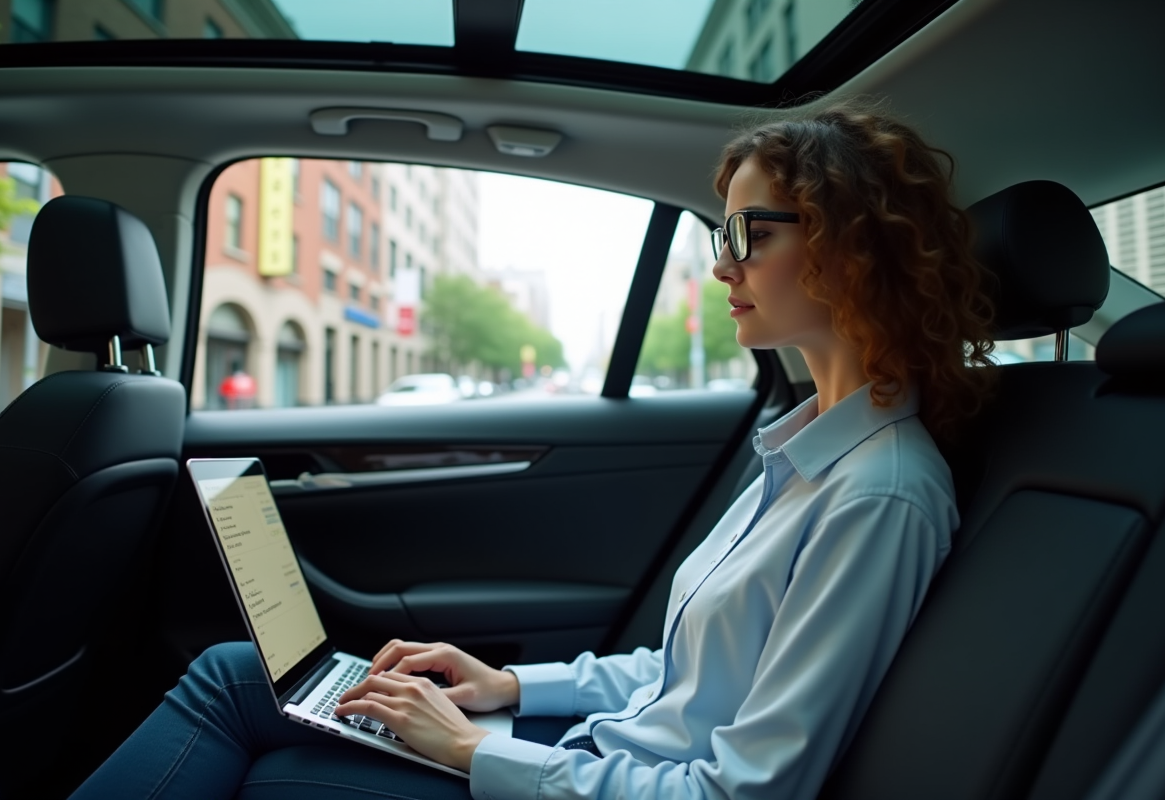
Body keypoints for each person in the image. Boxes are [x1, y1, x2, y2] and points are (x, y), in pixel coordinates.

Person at [70, 97, 996, 800]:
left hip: (591, 781)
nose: (721, 263)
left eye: (748, 234)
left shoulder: (880, 491)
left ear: (850, 249)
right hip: (589, 757)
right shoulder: (804, 456)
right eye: (723, 235)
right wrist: (504, 683)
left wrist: (477, 749)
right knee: (245, 673)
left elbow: (742, 789)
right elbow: (683, 679)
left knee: (238, 694)